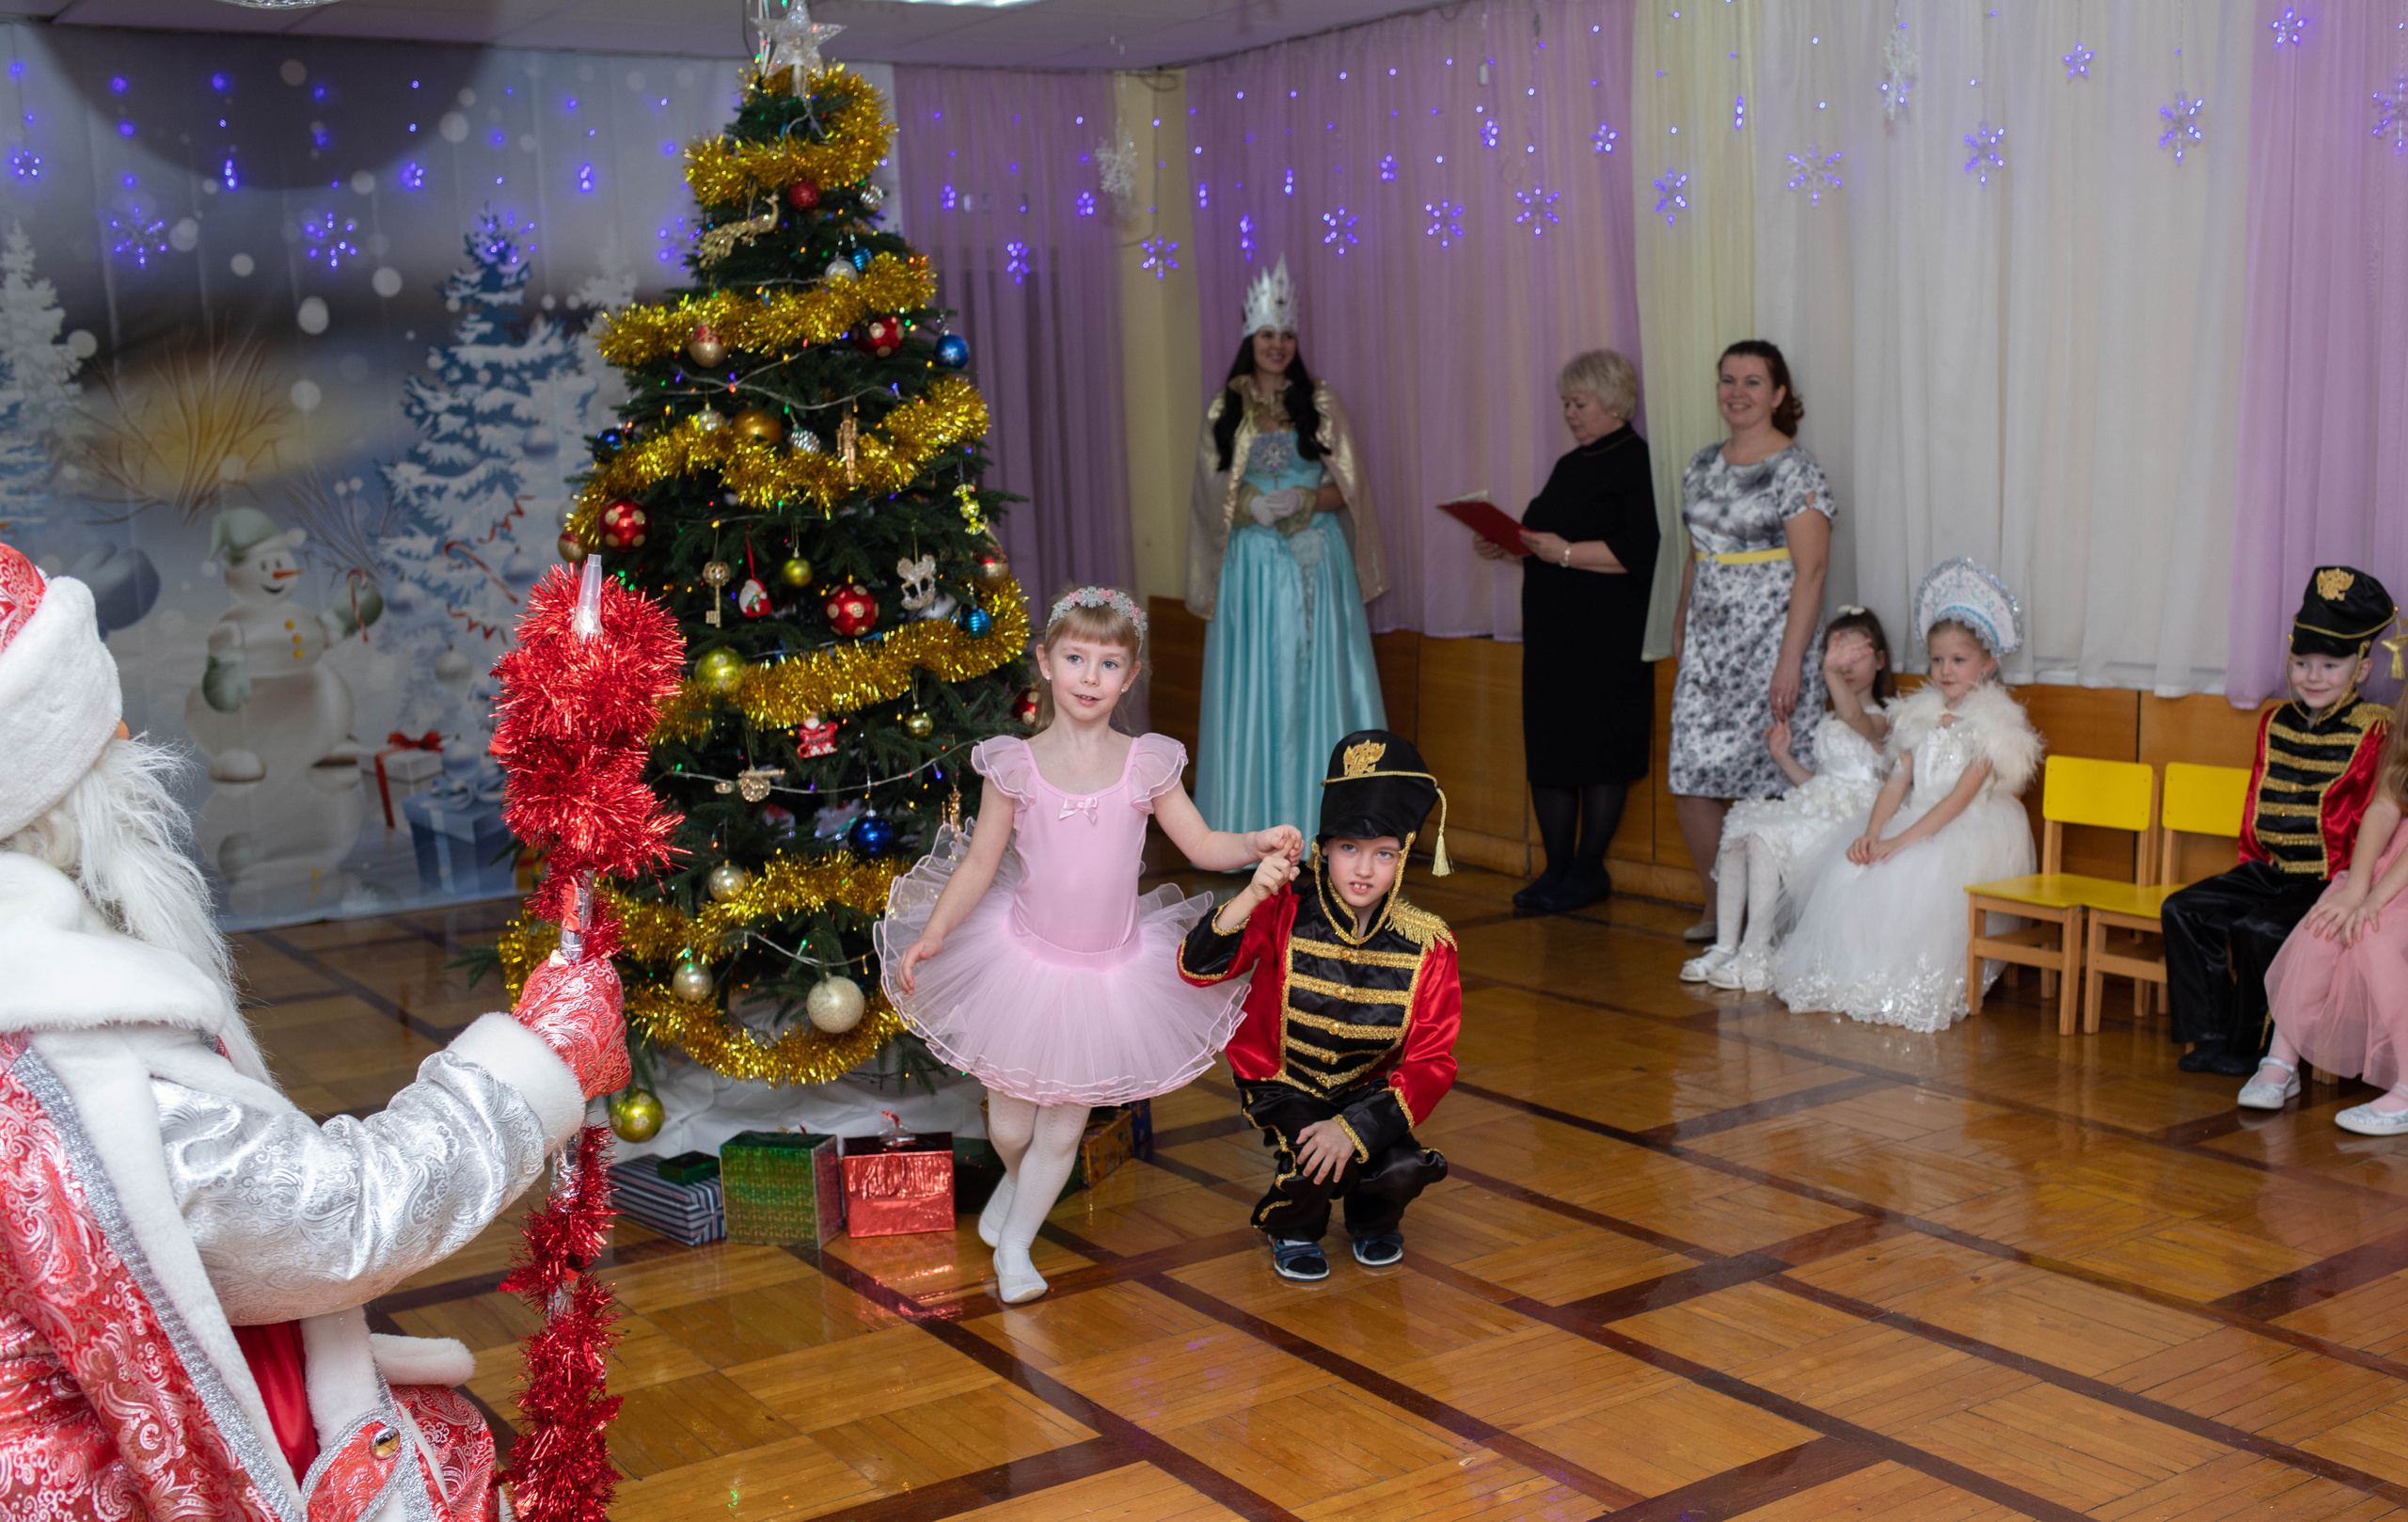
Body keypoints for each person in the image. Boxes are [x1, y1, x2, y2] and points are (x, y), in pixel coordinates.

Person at [0, 543, 624, 1519]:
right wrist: (539, 1060)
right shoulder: (76, 1050)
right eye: (103, 734)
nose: (128, 733)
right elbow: (332, 1219)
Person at [879, 586, 1298, 1306]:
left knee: (1063, 1125)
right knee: (1012, 1125)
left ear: (1129, 678)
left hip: (1107, 975)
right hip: (1025, 963)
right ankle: (1018, 1185)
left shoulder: (1146, 764)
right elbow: (981, 864)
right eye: (1075, 658)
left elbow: (1199, 842)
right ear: (1045, 663)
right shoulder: (1014, 765)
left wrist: (1256, 841)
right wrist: (936, 933)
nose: (1089, 677)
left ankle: (1016, 1248)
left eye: (1108, 664)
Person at [1176, 730, 1460, 1283]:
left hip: (1366, 1088)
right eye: (1349, 848)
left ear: (1402, 859)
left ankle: (1373, 1218)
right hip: (1283, 1078)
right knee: (1312, 1163)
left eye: (1384, 854)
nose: (1363, 869)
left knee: (1400, 1166)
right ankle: (1295, 1228)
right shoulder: (1283, 907)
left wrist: (1355, 1127)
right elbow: (1195, 967)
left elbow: (1432, 1061)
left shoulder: (1430, 944)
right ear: (1322, 848)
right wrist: (1252, 894)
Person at [1772, 560, 2041, 1032]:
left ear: (1988, 663)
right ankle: (1857, 974)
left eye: (1958, 660)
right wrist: (1874, 833)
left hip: (1965, 827)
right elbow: (1898, 782)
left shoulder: (1991, 726)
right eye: (1937, 660)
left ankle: (1910, 982)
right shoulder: (1919, 716)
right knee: (1855, 868)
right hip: (1918, 815)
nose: (1945, 670)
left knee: (1918, 873)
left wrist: (1902, 842)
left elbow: (1958, 799)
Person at [2163, 567, 2396, 1077]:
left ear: (2360, 669)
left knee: (2260, 927)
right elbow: (2255, 807)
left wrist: (2349, 887)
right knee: (2183, 909)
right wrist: (2249, 871)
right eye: (2301, 662)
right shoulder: (2274, 721)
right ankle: (2212, 1032)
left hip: (2328, 877)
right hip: (2268, 868)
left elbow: (2377, 821)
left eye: (2330, 665)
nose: (2313, 676)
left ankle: (2254, 1048)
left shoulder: (2376, 729)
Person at [1186, 257, 1390, 839]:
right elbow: (1209, 492)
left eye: (1287, 335)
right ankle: (1250, 826)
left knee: (1316, 681)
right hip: (1251, 566)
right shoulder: (1226, 407)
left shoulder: (1319, 401)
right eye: (1268, 334)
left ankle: (1327, 825)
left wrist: (1304, 501)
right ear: (1251, 337)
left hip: (1312, 562)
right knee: (1259, 686)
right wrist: (1250, 503)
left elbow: (1350, 487)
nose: (1278, 345)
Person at [1470, 349, 1659, 914]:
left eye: (1579, 403)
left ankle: (1587, 869)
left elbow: (1642, 552)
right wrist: (1511, 547)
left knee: (1600, 750)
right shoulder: (1571, 465)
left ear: (1614, 403)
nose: (1570, 414)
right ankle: (1555, 868)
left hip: (1608, 636)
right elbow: (1548, 545)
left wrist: (1567, 551)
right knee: (1551, 749)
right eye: (1566, 404)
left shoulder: (1635, 462)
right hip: (1553, 636)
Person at [1668, 341, 1834, 943]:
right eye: (1728, 380)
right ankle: (1721, 909)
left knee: (1774, 773)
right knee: (1691, 774)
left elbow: (1811, 572)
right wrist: (1682, 618)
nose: (1738, 392)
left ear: (1779, 394)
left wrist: (1791, 661)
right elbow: (1696, 553)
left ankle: (1775, 918)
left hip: (1772, 642)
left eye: (1753, 382)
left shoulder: (1797, 470)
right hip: (1710, 646)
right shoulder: (1700, 464)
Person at [1683, 608, 1893, 992]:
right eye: (1837, 654)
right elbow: (1818, 786)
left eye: (1855, 654)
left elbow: (1855, 718)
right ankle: (1726, 945)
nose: (1844, 663)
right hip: (1819, 806)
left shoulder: (1884, 719)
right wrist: (1784, 758)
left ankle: (1756, 955)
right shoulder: (1828, 723)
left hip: (1854, 818)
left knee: (1766, 840)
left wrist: (1829, 673)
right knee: (1742, 830)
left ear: (1879, 660)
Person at [2246, 683, 2408, 1133]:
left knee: (2372, 937)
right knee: (2325, 923)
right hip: (2387, 868)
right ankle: (2282, 1058)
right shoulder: (2402, 739)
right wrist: (2356, 888)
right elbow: (2382, 809)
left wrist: (2374, 901)